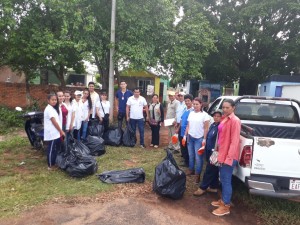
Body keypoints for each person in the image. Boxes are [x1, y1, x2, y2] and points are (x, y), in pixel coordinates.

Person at [211, 99, 241, 216]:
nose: (224, 109)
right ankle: (223, 200)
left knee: (226, 180)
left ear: (233, 108)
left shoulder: (235, 120)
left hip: (228, 156)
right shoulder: (224, 118)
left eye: (227, 107)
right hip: (221, 153)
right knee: (222, 179)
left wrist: (229, 158)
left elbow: (234, 141)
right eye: (223, 107)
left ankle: (226, 206)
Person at [193, 110, 222, 196]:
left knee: (209, 169)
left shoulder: (220, 127)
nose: (216, 117)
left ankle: (202, 188)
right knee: (214, 169)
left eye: (218, 116)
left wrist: (217, 150)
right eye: (215, 116)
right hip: (209, 150)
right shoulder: (213, 125)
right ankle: (213, 187)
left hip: (215, 152)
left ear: (221, 117)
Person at [183, 97, 210, 184]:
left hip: (199, 138)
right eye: (194, 104)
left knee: (198, 158)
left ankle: (197, 175)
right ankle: (191, 169)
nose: (195, 106)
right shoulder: (191, 113)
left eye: (197, 104)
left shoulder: (205, 115)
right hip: (190, 137)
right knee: (191, 155)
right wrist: (185, 135)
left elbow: (206, 128)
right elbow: (188, 125)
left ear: (201, 104)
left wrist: (204, 139)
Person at [44, 93, 65, 170]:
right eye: (52, 100)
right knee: (51, 149)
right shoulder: (49, 109)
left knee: (55, 149)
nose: (54, 101)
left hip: (55, 133)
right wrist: (61, 131)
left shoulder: (53, 108)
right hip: (52, 133)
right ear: (48, 100)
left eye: (55, 100)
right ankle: (50, 165)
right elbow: (54, 122)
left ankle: (53, 162)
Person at [177, 94, 193, 167]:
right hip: (181, 130)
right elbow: (181, 119)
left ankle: (188, 162)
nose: (187, 102)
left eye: (188, 101)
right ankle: (185, 159)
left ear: (191, 101)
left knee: (186, 147)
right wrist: (178, 128)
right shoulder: (185, 109)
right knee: (182, 146)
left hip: (187, 132)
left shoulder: (192, 111)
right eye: (186, 101)